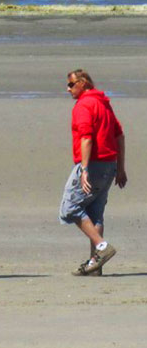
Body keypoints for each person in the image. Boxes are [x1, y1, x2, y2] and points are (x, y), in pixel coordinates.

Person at [59, 69, 127, 276]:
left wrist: (84, 170)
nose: (68, 88)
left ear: (83, 83)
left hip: (94, 165)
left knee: (69, 208)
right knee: (95, 213)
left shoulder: (84, 105)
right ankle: (95, 266)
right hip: (109, 165)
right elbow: (119, 135)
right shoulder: (104, 103)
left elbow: (86, 138)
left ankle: (101, 247)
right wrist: (120, 168)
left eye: (71, 84)